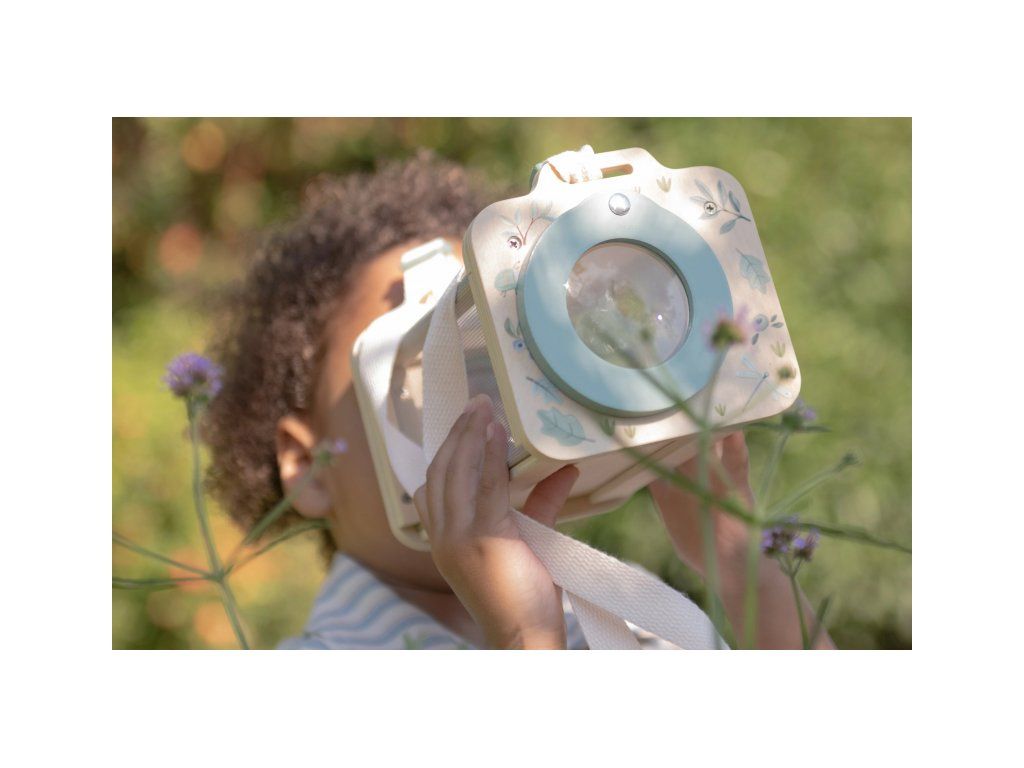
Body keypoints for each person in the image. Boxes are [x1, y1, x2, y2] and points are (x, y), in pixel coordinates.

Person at [205, 151, 833, 649]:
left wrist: (739, 562)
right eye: (421, 370)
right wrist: (523, 640)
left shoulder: (634, 620)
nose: (473, 399)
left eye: (487, 353)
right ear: (308, 466)